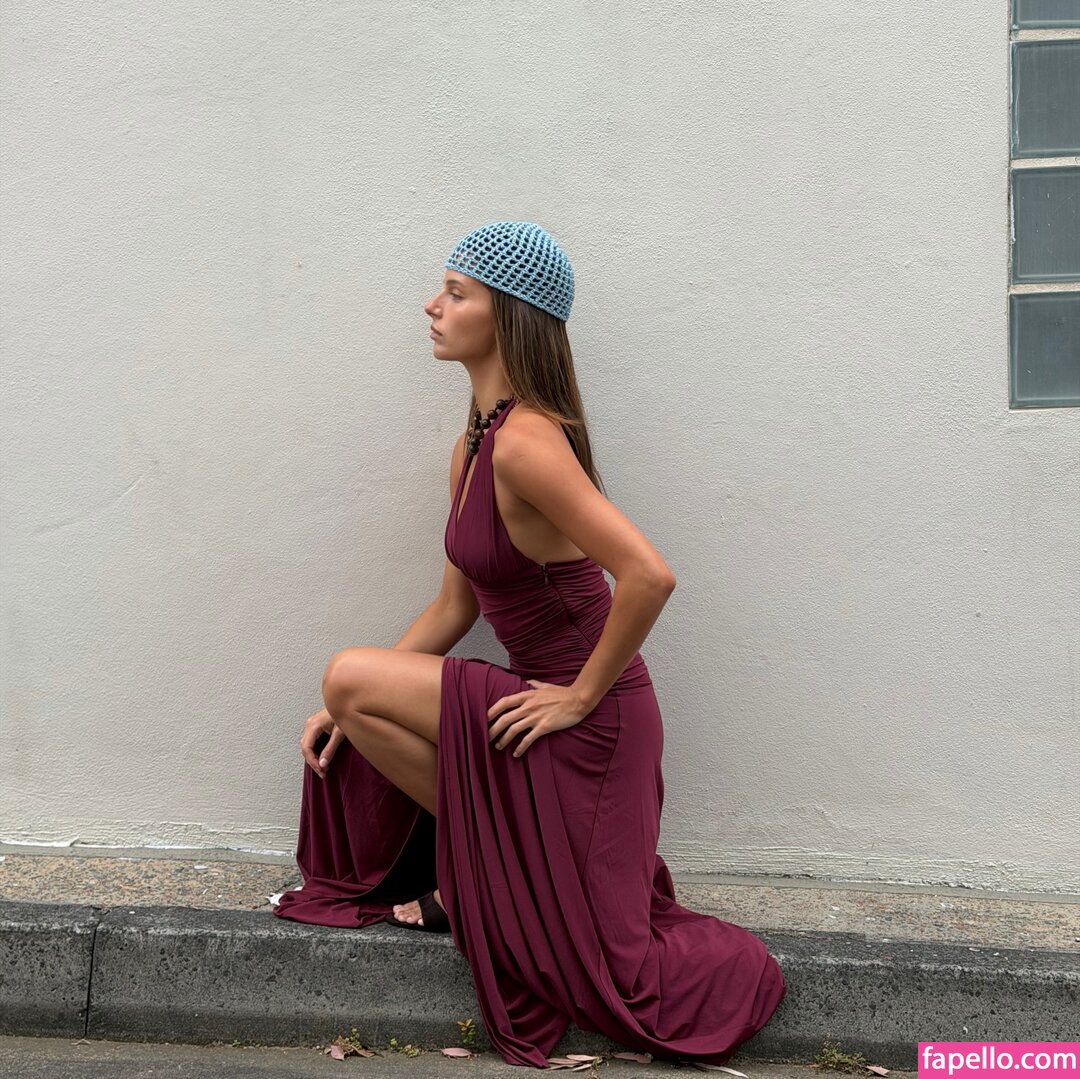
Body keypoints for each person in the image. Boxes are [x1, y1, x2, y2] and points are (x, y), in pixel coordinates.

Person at [273, 221, 787, 1068]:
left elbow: (649, 575)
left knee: (346, 675)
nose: (432, 306)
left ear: (507, 315)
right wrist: (348, 705)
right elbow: (454, 605)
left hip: (591, 726)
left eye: (456, 292)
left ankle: (481, 874)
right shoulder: (475, 443)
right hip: (536, 712)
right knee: (351, 691)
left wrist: (580, 695)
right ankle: (489, 871)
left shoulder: (526, 444)